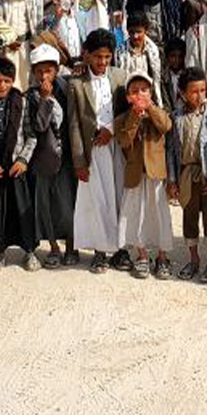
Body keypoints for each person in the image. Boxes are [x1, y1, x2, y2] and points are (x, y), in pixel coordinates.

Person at [68, 30, 127, 272]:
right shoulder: (77, 84)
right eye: (97, 57)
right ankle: (100, 252)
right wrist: (79, 162)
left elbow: (127, 112)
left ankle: (121, 249)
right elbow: (73, 125)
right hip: (93, 150)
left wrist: (111, 129)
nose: (102, 62)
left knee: (120, 196)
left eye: (107, 57)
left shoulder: (120, 77)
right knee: (97, 201)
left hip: (117, 146)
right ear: (87, 55)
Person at [0, 57, 39, 272]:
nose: (2, 85)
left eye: (6, 81)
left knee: (23, 209)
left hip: (17, 168)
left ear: (13, 81)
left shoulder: (22, 102)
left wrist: (23, 160)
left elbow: (32, 136)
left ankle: (30, 251)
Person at [117, 72, 174, 279]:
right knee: (136, 214)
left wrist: (149, 108)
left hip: (155, 173)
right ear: (128, 97)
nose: (140, 94)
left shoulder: (157, 113)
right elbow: (124, 140)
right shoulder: (124, 118)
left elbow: (166, 126)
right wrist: (135, 115)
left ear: (151, 93)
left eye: (144, 90)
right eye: (135, 91)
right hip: (135, 174)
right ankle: (141, 255)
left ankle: (162, 256)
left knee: (159, 214)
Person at [169, 68, 207, 281]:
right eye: (194, 91)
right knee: (189, 217)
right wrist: (172, 180)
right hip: (186, 175)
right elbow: (171, 151)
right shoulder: (176, 117)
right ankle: (194, 259)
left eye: (203, 90)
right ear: (182, 93)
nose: (199, 95)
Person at [26, 45, 76, 266]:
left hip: (67, 157)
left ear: (56, 70)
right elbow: (38, 126)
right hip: (43, 158)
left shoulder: (67, 88)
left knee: (67, 204)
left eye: (48, 70)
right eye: (39, 71)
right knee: (45, 205)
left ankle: (71, 246)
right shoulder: (31, 96)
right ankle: (54, 247)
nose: (44, 76)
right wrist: (45, 100)